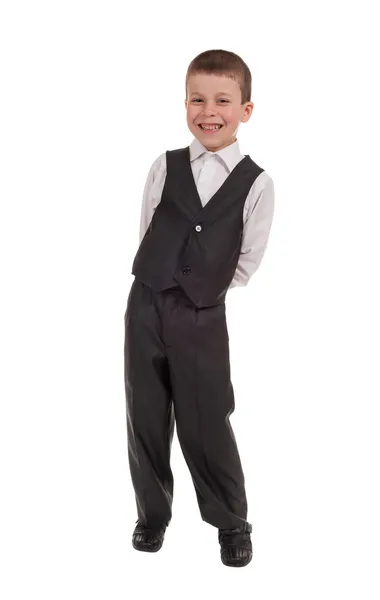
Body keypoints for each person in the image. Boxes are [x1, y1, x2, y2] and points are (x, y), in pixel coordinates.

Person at [124, 49, 275, 568]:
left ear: (245, 110)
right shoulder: (163, 166)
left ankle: (231, 522)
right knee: (145, 414)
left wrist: (203, 290)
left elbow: (247, 258)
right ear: (185, 103)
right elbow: (148, 227)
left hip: (202, 318)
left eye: (223, 101)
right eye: (198, 99)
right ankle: (152, 515)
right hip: (145, 306)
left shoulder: (257, 183)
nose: (209, 111)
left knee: (206, 420)